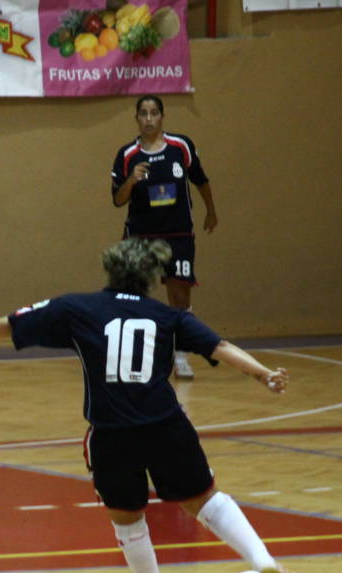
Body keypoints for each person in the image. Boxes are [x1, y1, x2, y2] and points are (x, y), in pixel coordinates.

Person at [0, 238, 309, 573]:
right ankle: (264, 562)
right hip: (166, 427)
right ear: (150, 278)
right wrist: (264, 374)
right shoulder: (168, 316)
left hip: (112, 434)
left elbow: (15, 323)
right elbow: (219, 347)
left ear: (111, 270)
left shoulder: (76, 308)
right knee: (206, 501)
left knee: (128, 521)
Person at [110, 95, 218, 380]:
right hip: (141, 236)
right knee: (132, 296)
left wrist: (211, 210)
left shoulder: (181, 146)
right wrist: (132, 180)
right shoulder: (127, 155)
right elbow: (118, 200)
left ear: (162, 116)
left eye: (154, 113)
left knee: (180, 295)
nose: (149, 118)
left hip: (177, 233)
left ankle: (180, 358)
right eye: (143, 113)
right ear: (136, 119)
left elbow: (200, 179)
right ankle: (134, 357)